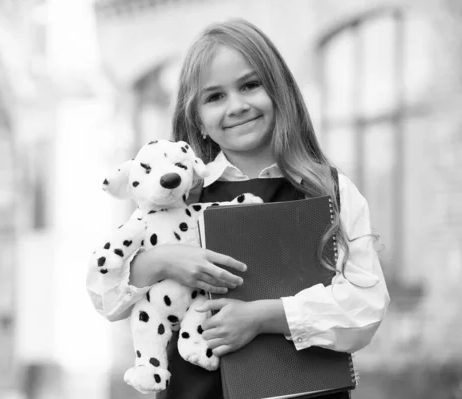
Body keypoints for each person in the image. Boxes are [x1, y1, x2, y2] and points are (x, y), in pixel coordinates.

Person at [86, 18, 390, 399]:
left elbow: (366, 306)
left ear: (278, 90)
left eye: (249, 85)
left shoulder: (328, 190)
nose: (237, 106)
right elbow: (106, 297)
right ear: (196, 116)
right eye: (214, 96)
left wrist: (264, 317)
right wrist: (160, 261)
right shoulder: (176, 193)